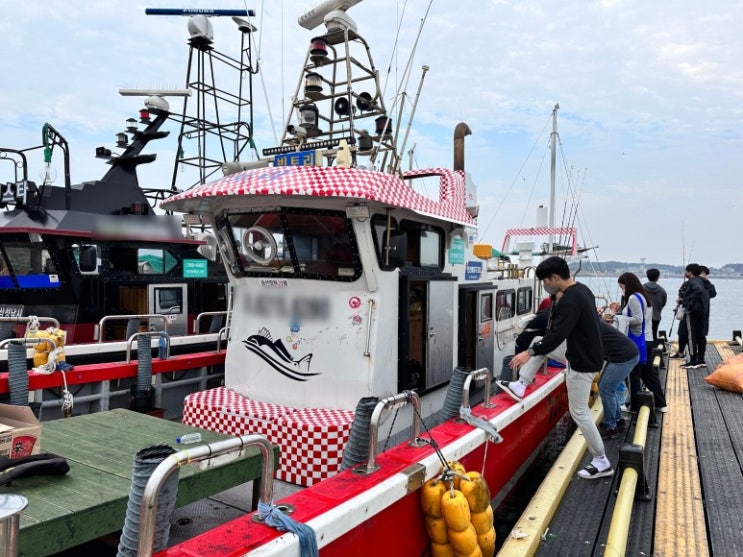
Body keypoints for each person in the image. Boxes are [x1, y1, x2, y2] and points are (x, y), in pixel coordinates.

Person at [498, 256, 612, 480]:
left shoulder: (571, 300)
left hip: (582, 361)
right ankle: (521, 384)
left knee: (579, 413)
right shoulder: (581, 290)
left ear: (555, 277)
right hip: (582, 351)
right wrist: (535, 347)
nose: (544, 285)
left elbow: (557, 335)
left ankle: (601, 460)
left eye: (545, 281)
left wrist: (527, 353)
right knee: (538, 342)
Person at [617, 272, 668, 412]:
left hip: (637, 339)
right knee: (648, 374)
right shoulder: (644, 297)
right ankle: (661, 403)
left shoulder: (633, 298)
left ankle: (633, 404)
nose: (622, 290)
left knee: (632, 373)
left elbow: (638, 319)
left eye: (622, 287)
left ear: (628, 285)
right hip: (648, 338)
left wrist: (620, 318)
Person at [596, 319, 640, 438]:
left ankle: (611, 426)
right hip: (622, 354)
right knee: (604, 386)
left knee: (606, 389)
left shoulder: (590, 326)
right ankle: (617, 419)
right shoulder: (593, 321)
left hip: (624, 357)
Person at [678, 263, 711, 369]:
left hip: (692, 311)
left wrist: (686, 300)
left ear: (690, 272)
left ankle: (693, 360)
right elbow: (713, 293)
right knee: (701, 335)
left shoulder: (692, 282)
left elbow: (698, 290)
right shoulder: (704, 281)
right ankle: (701, 360)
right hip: (703, 311)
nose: (685, 273)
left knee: (691, 335)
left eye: (686, 271)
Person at [643, 268, 667, 345]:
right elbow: (663, 303)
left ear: (647, 276)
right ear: (658, 277)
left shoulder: (641, 289)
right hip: (656, 316)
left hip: (644, 316)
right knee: (654, 334)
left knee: (644, 335)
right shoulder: (662, 290)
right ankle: (654, 349)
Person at [699, 266, 717, 338]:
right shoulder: (691, 283)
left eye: (705, 274)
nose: (704, 275)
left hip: (704, 310)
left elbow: (713, 294)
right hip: (692, 311)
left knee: (702, 333)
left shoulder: (708, 285)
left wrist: (706, 282)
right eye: (702, 273)